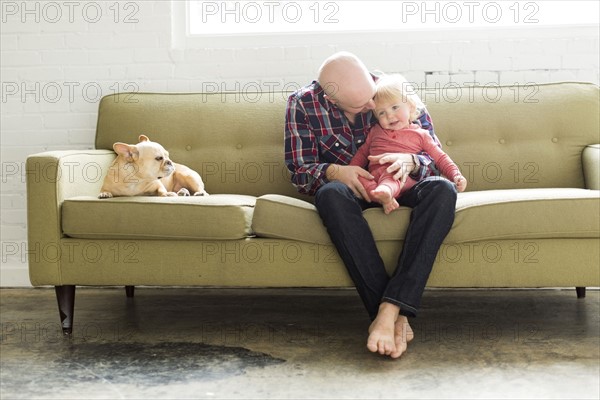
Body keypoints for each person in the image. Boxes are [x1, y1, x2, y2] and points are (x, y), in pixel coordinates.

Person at [284, 52, 458, 358]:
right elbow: (300, 171)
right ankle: (395, 314)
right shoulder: (302, 104)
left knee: (442, 191)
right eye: (360, 106)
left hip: (403, 184)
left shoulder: (392, 88)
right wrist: (334, 171)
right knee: (329, 194)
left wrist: (412, 160)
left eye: (371, 98)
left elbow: (434, 155)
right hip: (353, 192)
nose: (371, 107)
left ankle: (387, 312)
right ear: (330, 98)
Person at [350, 74, 467, 214]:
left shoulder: (421, 135)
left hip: (402, 178)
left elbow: (440, 157)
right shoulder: (375, 131)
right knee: (361, 179)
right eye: (381, 113)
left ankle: (386, 192)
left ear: (411, 107)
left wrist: (455, 174)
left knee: (393, 174)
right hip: (374, 177)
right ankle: (382, 197)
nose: (389, 116)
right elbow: (362, 153)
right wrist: (353, 169)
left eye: (394, 107)